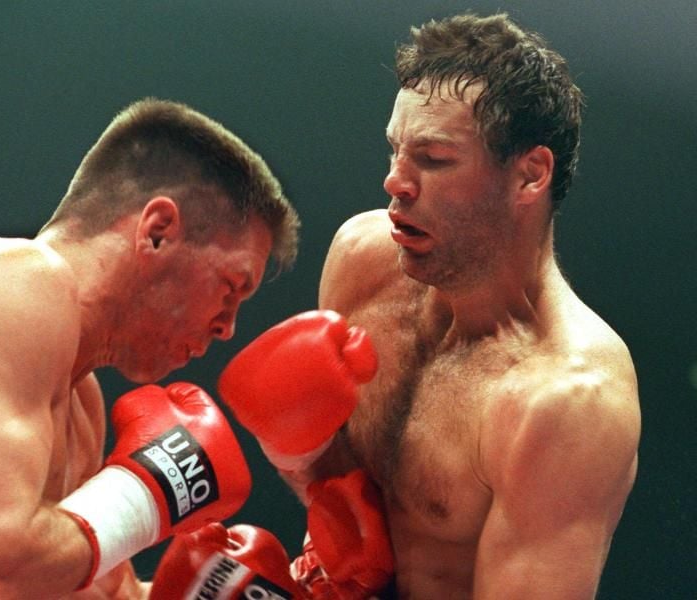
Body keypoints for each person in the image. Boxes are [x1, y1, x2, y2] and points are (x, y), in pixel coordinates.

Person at [216, 13, 641, 599]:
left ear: (530, 175)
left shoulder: (567, 402)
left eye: (434, 159)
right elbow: (352, 508)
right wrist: (301, 454)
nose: (396, 181)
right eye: (395, 150)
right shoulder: (363, 262)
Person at [0, 97, 300, 598]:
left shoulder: (81, 407)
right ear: (157, 232)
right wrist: (142, 497)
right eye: (231, 286)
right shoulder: (15, 280)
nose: (228, 328)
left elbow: (97, 590)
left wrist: (210, 590)